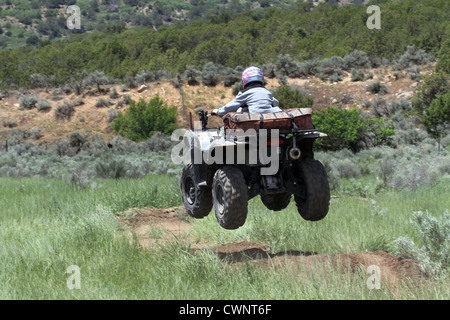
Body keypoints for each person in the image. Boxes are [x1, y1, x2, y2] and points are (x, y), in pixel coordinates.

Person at [212, 66, 282, 117]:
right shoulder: (266, 91)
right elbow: (275, 102)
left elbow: (230, 106)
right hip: (270, 118)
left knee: (240, 110)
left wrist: (219, 111)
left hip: (255, 120)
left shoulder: (244, 93)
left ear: (245, 80)